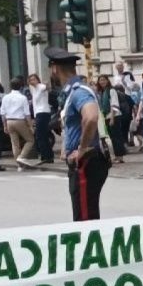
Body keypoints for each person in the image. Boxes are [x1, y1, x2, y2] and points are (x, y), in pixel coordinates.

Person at [47, 47, 110, 222]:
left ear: (54, 68)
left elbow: (90, 117)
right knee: (85, 214)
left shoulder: (78, 91)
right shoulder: (71, 91)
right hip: (84, 162)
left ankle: (90, 249)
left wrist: (81, 149)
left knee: (84, 219)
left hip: (86, 162)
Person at [1, 77, 37, 169]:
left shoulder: (5, 97)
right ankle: (21, 157)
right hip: (19, 121)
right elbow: (27, 114)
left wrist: (4, 125)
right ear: (21, 86)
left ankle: (19, 165)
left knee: (14, 143)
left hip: (9, 121)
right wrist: (30, 126)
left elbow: (3, 113)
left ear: (10, 86)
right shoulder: (22, 97)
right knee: (30, 140)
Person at [94, 74, 127, 163]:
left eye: (104, 80)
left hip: (114, 116)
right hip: (106, 117)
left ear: (107, 81)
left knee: (117, 137)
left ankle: (120, 156)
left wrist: (112, 117)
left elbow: (114, 104)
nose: (102, 82)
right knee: (112, 137)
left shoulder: (111, 91)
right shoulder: (102, 92)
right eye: (100, 80)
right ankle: (117, 155)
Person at [27, 74, 53, 164]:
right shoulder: (33, 89)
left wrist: (47, 84)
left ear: (38, 80)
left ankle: (45, 156)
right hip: (39, 113)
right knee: (43, 135)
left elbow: (46, 87)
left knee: (40, 136)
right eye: (30, 80)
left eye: (34, 79)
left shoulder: (40, 86)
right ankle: (48, 156)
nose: (32, 81)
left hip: (43, 112)